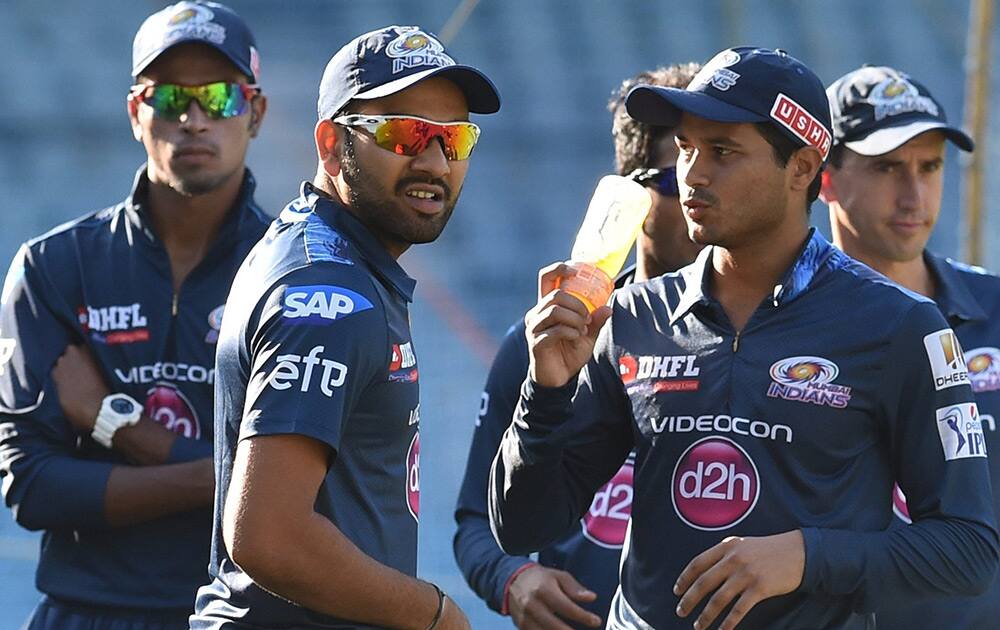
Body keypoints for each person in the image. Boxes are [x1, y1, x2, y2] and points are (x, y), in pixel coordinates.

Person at [488, 47, 998, 630]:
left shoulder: (901, 326)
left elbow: (968, 551)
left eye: (723, 152)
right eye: (686, 149)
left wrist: (807, 557)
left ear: (804, 168)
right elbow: (524, 526)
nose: (693, 174)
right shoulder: (631, 315)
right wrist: (546, 389)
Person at [189, 25, 500, 630]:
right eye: (405, 133)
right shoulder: (328, 294)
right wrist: (436, 614)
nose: (434, 161)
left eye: (454, 139)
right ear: (331, 145)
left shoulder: (327, 257)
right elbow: (267, 535)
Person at [0, 2, 269, 628]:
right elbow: (31, 485)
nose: (194, 120)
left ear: (255, 112)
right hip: (84, 613)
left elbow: (311, 492)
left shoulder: (299, 277)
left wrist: (117, 428)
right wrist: (222, 479)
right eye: (171, 99)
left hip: (239, 617)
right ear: (135, 113)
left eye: (220, 98)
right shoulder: (51, 267)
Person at [453, 62, 702, 630]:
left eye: (717, 163)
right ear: (631, 194)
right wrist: (513, 578)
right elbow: (475, 521)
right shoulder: (548, 342)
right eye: (677, 175)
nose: (697, 194)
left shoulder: (756, 346)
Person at [821, 65, 1000, 629]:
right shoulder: (780, 324)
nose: (914, 194)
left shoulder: (995, 310)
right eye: (887, 167)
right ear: (822, 176)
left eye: (930, 166)